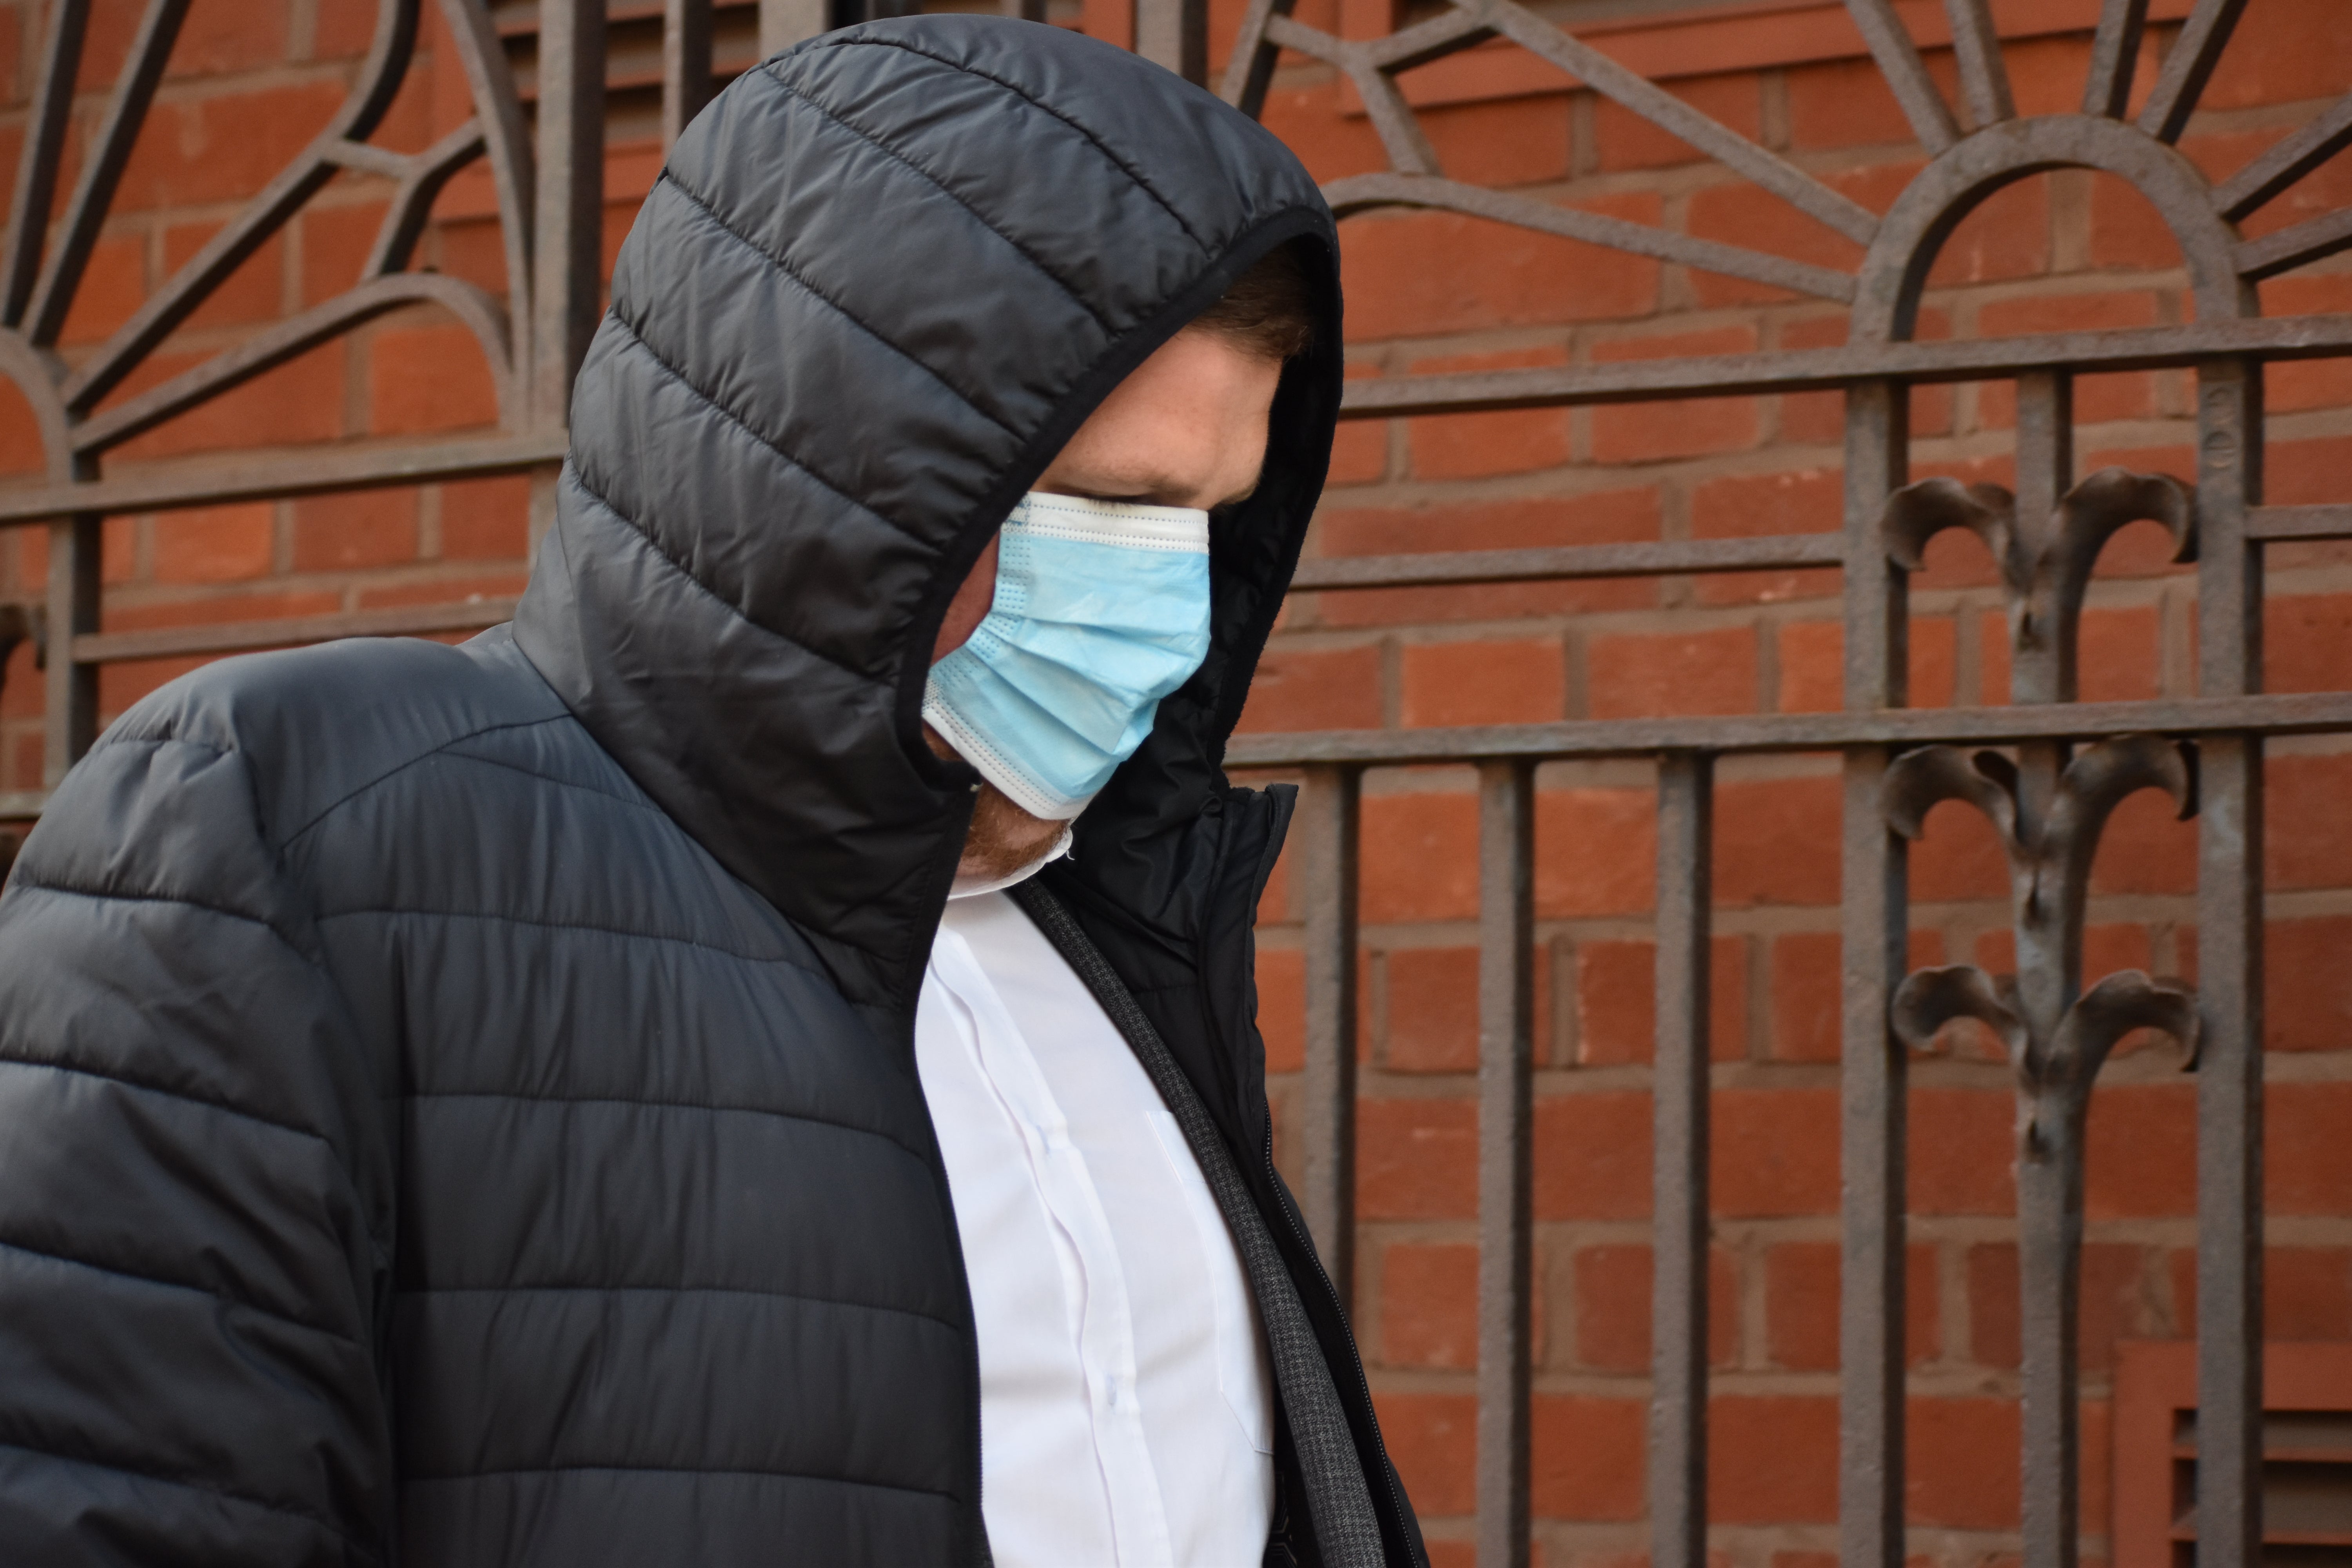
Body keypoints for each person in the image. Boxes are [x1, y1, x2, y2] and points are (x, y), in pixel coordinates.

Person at [0, 15, 1428, 1568]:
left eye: (1206, 519)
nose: (1165, 593)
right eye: (1110, 503)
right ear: (851, 469)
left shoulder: (1115, 926)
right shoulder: (301, 822)